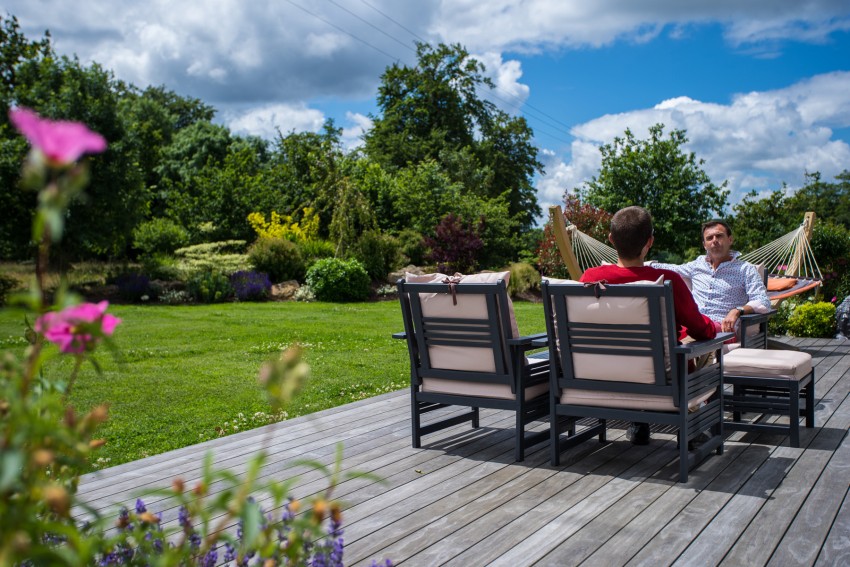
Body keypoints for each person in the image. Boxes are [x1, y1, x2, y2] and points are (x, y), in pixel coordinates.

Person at [580, 206, 717, 445]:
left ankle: (639, 421)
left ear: (611, 239)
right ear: (650, 242)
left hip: (601, 373)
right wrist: (714, 328)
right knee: (710, 349)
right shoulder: (667, 281)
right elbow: (701, 329)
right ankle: (694, 422)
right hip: (662, 379)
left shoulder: (590, 278)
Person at [651, 220, 770, 338]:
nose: (714, 240)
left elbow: (763, 301)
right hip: (694, 325)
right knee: (662, 333)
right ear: (704, 245)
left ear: (730, 240)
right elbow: (672, 268)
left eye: (719, 236)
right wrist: (645, 264)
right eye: (709, 238)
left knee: (674, 339)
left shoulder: (745, 269)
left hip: (721, 330)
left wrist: (737, 311)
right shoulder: (698, 264)